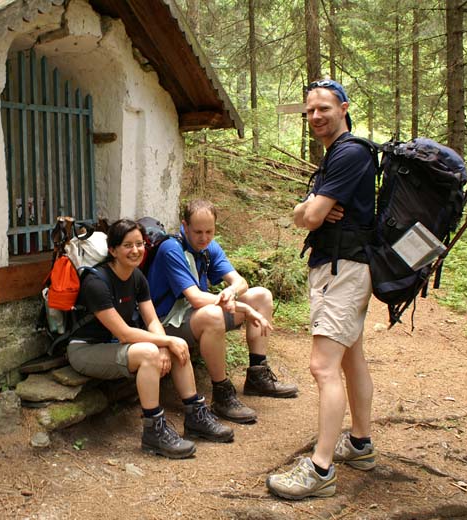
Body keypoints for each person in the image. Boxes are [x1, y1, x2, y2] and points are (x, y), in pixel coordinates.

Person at [266, 79, 377, 500]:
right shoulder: (339, 156)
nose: (315, 116)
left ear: (344, 108)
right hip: (345, 266)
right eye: (310, 110)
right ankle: (361, 445)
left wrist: (309, 207)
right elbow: (309, 212)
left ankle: (321, 469)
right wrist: (309, 208)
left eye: (324, 109)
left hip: (342, 270)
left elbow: (309, 216)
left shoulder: (348, 153)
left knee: (322, 366)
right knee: (350, 357)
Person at [67, 218, 233, 459]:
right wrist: (164, 343)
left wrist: (166, 345)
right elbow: (123, 332)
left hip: (118, 346)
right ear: (112, 250)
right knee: (151, 352)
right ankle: (153, 431)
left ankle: (195, 415)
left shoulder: (136, 278)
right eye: (127, 245)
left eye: (139, 244)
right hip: (87, 350)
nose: (135, 251)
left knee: (177, 345)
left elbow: (153, 320)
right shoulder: (96, 282)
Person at [147, 200, 298, 425]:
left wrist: (231, 291)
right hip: (166, 324)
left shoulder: (209, 247)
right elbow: (196, 298)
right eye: (198, 231)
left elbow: (240, 282)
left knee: (262, 296)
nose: (204, 238)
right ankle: (222, 393)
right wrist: (241, 306)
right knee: (213, 315)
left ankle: (258, 374)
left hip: (195, 315)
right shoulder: (172, 249)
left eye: (210, 231)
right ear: (184, 226)